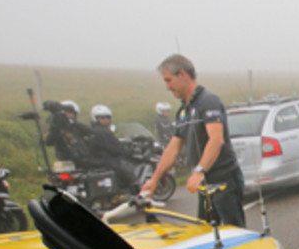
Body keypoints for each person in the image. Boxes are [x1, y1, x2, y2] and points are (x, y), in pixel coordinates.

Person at [141, 54, 246, 227]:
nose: (167, 87)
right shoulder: (184, 110)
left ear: (182, 75)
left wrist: (199, 171)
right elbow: (173, 149)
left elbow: (216, 139)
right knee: (204, 234)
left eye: (169, 80)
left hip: (223, 180)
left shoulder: (208, 101)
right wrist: (154, 179)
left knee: (234, 234)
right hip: (205, 183)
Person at [88, 104, 139, 191]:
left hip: (98, 159)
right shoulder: (103, 132)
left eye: (107, 118)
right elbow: (116, 148)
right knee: (130, 174)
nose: (106, 120)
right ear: (96, 118)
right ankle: (133, 193)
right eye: (102, 118)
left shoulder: (94, 130)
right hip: (106, 160)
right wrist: (129, 152)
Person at [44, 99, 93, 165]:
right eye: (66, 113)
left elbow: (91, 132)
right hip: (68, 160)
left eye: (70, 113)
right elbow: (49, 142)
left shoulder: (77, 126)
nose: (68, 115)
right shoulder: (56, 128)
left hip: (82, 158)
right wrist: (56, 127)